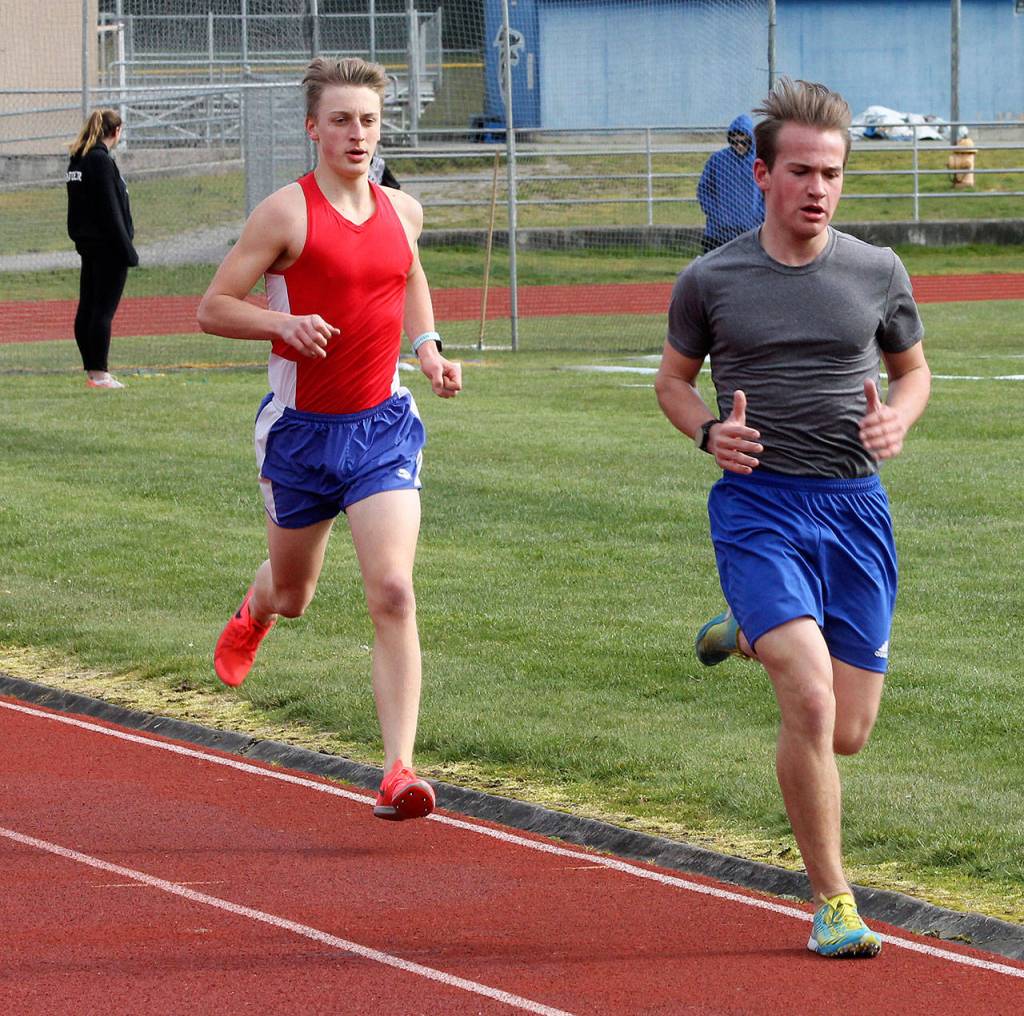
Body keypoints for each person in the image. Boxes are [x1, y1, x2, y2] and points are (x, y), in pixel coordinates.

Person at [655, 78, 931, 958]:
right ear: (765, 175)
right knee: (808, 701)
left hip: (855, 509)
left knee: (847, 731)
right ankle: (834, 902)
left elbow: (914, 371)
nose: (819, 188)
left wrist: (899, 414)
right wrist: (708, 432)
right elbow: (671, 380)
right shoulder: (713, 277)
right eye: (803, 171)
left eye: (834, 173)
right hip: (760, 507)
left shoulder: (877, 271)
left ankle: (750, 632)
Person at [197, 56, 462, 822]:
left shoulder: (400, 210)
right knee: (296, 593)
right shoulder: (286, 213)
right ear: (313, 127)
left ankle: (398, 770)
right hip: (300, 435)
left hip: (382, 427)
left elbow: (406, 275)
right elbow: (213, 307)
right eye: (342, 119)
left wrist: (429, 348)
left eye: (370, 121)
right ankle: (255, 611)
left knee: (393, 590)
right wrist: (282, 322)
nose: (357, 134)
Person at [66, 109, 139, 389]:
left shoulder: (79, 159)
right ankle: (99, 373)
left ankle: (92, 370)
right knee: (101, 310)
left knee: (88, 307)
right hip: (109, 248)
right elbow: (110, 209)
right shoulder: (99, 161)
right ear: (116, 131)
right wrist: (127, 249)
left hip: (90, 247)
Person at [696, 113, 765, 254]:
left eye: (743, 142)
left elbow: (771, 192)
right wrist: (716, 213)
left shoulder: (760, 162)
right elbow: (704, 189)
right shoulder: (717, 160)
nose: (738, 145)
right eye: (734, 142)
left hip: (751, 232)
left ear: (750, 140)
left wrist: (760, 215)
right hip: (718, 233)